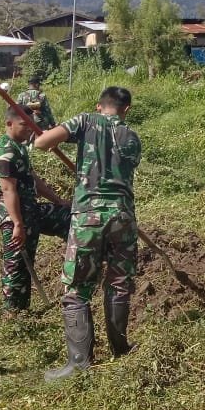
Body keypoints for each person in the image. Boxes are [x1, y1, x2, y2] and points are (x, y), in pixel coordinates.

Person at [34, 87, 141, 382]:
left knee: (76, 288)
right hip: (122, 217)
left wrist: (55, 138)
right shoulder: (132, 137)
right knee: (119, 284)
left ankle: (79, 363)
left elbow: (42, 142)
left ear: (99, 106)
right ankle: (121, 349)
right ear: (126, 109)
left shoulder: (85, 121)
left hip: (88, 218)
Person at [0, 106, 71, 314]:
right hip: (13, 212)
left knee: (67, 217)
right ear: (9, 124)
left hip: (29, 207)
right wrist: (17, 224)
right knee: (17, 263)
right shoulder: (5, 152)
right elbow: (8, 190)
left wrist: (58, 201)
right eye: (24, 124)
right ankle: (14, 314)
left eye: (31, 124)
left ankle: (83, 265)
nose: (29, 129)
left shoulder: (19, 147)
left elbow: (33, 179)